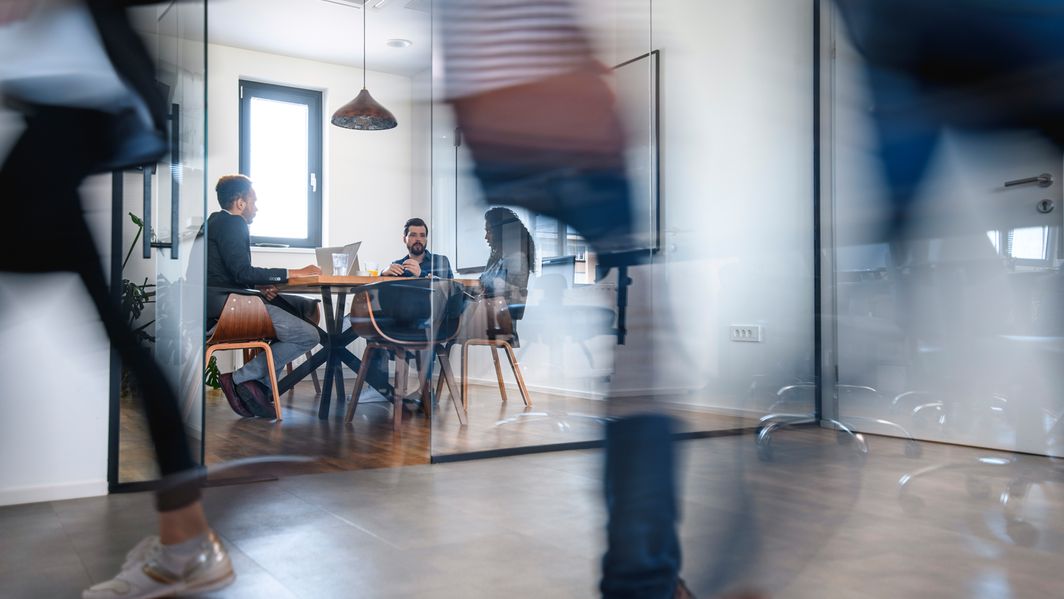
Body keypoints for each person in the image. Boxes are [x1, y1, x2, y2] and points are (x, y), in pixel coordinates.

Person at [439, 2, 692, 597]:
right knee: (646, 349)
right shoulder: (510, 229)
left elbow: (511, 275)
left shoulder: (506, 228)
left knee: (641, 346)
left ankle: (646, 575)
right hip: (570, 119)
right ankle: (644, 579)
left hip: (492, 126)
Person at [0, 2, 234, 598]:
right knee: (122, 335)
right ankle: (186, 540)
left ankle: (186, 544)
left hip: (68, 107)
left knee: (120, 335)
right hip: (64, 110)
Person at [208, 174, 322, 418]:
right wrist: (295, 272)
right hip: (231, 308)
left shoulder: (213, 222)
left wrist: (258, 285)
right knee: (309, 335)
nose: (255, 208)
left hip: (215, 304)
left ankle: (261, 390)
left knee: (300, 308)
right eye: (254, 201)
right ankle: (239, 379)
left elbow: (226, 272)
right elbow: (241, 271)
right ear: (240, 203)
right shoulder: (232, 223)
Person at [382, 217, 454, 279]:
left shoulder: (441, 261)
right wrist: (383, 273)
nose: (418, 239)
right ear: (404, 239)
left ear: (426, 239)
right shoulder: (398, 265)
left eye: (422, 235)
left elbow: (451, 289)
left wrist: (421, 274)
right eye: (413, 235)